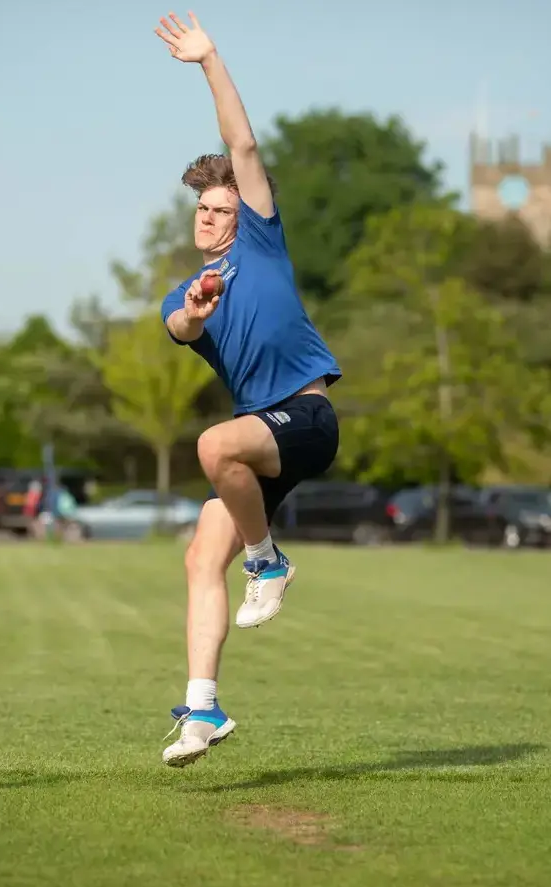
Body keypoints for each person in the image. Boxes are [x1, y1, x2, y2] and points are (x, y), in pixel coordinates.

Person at [156, 11, 342, 767]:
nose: (210, 217)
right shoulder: (184, 289)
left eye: (222, 208)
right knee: (202, 558)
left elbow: (243, 144)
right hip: (259, 447)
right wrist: (195, 314)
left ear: (245, 214)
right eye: (203, 209)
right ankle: (203, 712)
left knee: (212, 442)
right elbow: (181, 330)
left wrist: (209, 62)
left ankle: (267, 562)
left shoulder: (261, 236)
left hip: (305, 416)